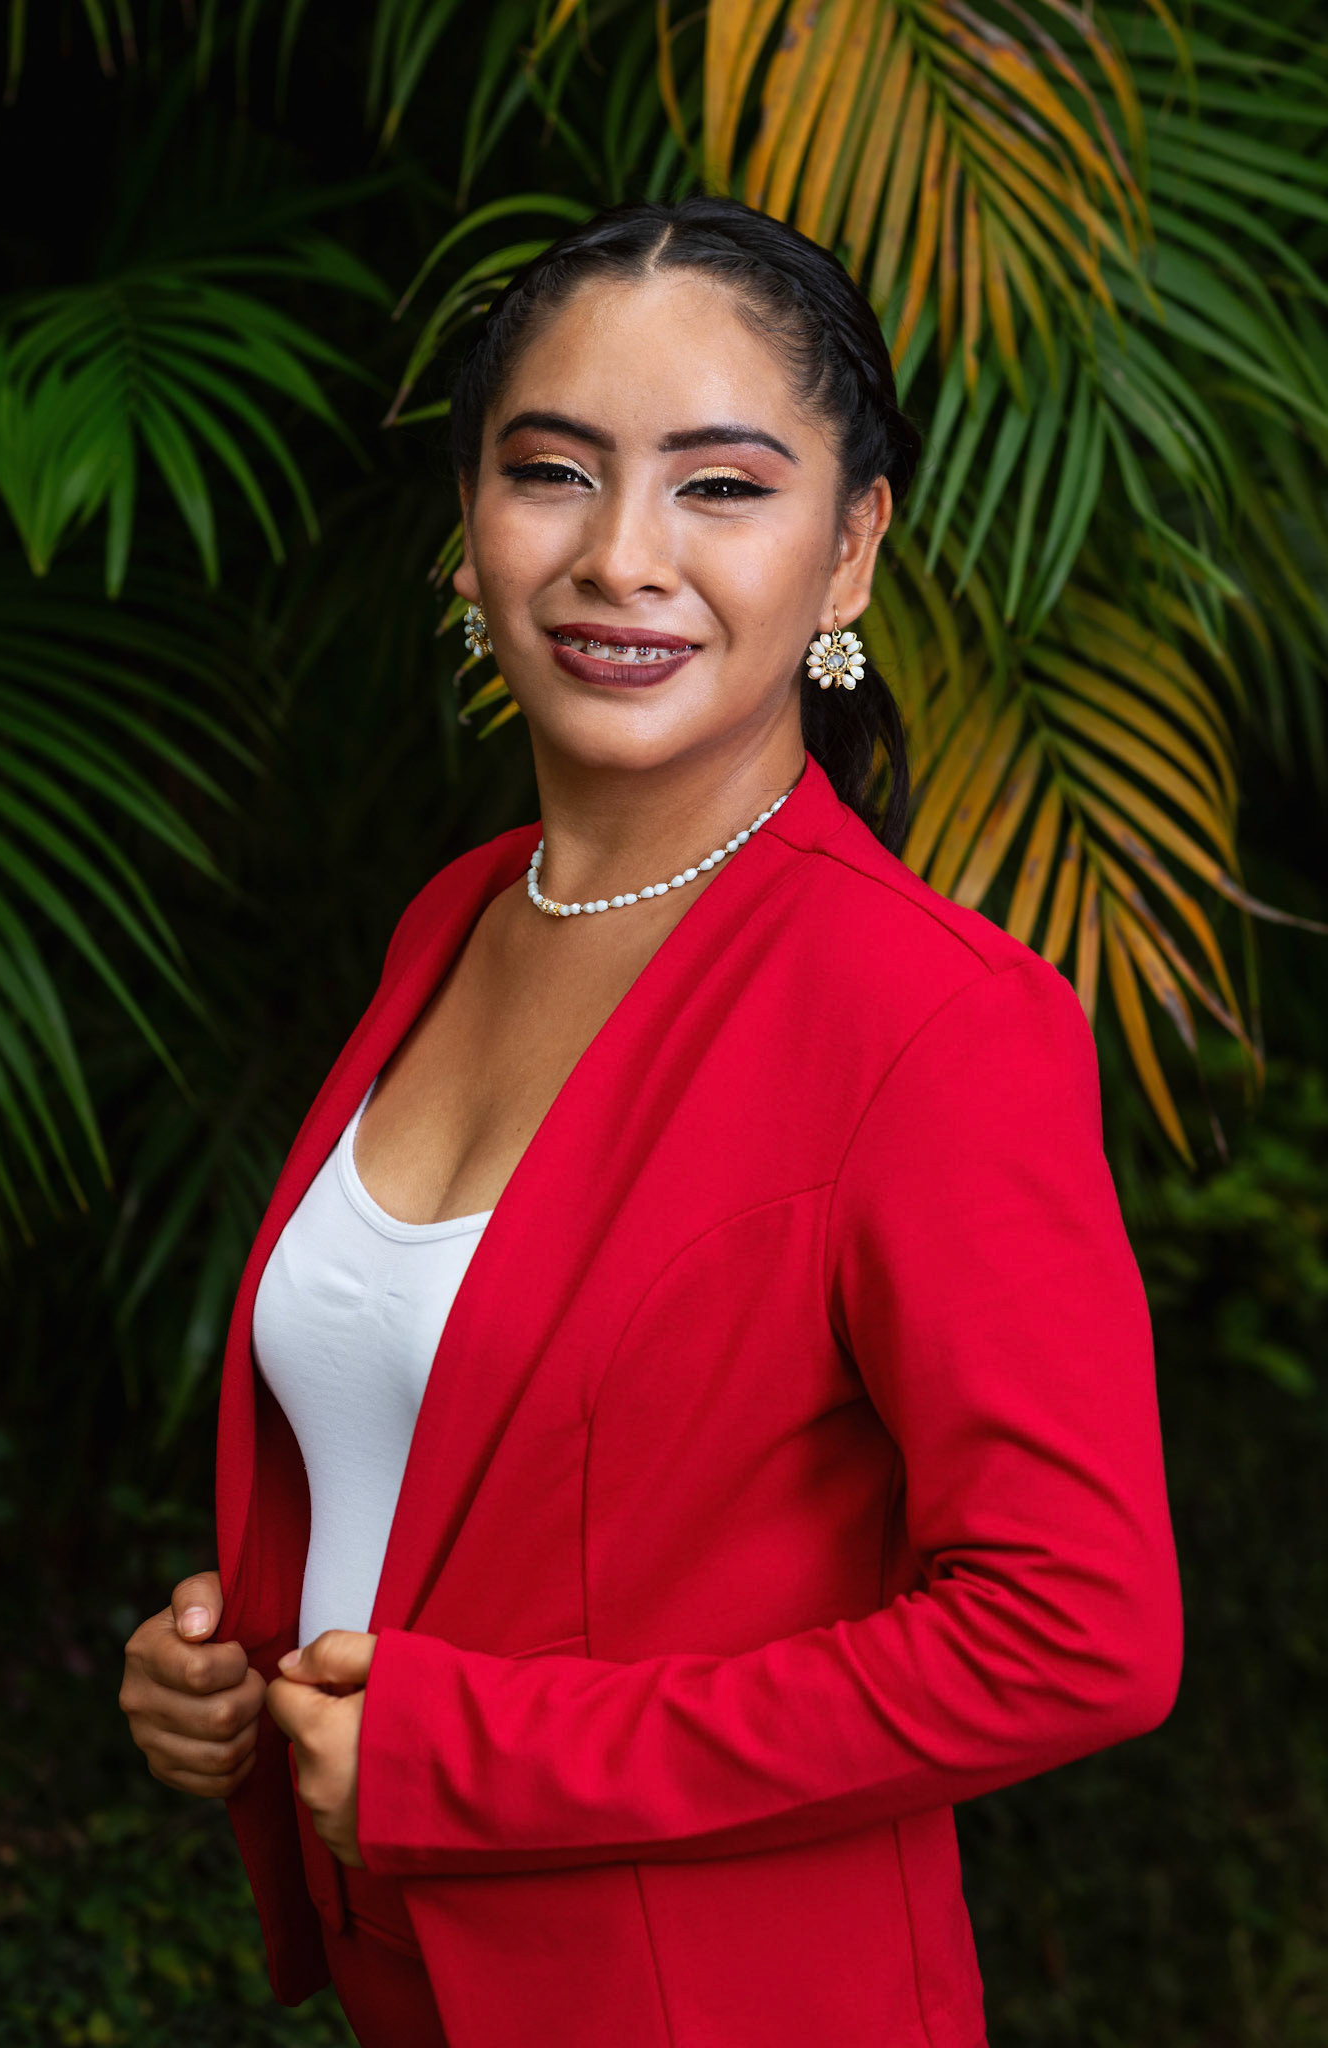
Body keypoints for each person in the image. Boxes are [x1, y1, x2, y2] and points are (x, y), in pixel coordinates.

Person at [118, 194, 1183, 2048]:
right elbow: (458, 1464)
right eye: (552, 472)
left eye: (722, 487)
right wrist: (230, 1663)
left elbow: (1078, 1632)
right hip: (416, 1989)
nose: (622, 556)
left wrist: (473, 1759)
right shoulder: (456, 920)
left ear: (850, 551)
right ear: (468, 527)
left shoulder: (932, 1017)